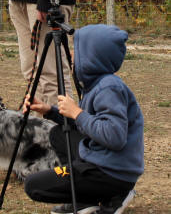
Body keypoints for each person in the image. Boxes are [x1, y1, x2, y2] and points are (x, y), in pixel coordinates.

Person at [23, 24, 144, 214]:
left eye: (77, 49)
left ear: (93, 56)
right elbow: (86, 125)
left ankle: (113, 196)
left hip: (111, 172)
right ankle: (85, 200)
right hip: (102, 161)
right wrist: (50, 111)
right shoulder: (96, 84)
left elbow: (114, 136)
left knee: (33, 185)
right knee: (58, 134)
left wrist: (77, 113)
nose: (71, 54)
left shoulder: (109, 88)